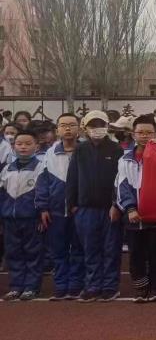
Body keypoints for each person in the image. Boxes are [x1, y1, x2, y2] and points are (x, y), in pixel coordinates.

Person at [66, 110, 124, 302]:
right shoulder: (80, 149)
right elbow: (72, 177)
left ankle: (110, 286)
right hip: (85, 209)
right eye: (93, 125)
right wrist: (72, 204)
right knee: (90, 250)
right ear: (85, 128)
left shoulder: (116, 149)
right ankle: (92, 286)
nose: (97, 129)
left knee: (111, 249)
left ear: (107, 127)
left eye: (100, 125)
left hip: (110, 209)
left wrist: (116, 204)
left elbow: (121, 180)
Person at [115, 115, 156, 303]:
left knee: (155, 255)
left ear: (155, 134)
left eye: (149, 132)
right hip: (133, 217)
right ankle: (140, 288)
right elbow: (122, 186)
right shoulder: (125, 159)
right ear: (133, 134)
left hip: (155, 217)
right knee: (136, 255)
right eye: (141, 132)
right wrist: (130, 209)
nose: (145, 136)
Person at [35, 113, 84, 300]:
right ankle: (61, 285)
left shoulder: (85, 151)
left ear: (79, 129)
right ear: (57, 130)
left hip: (79, 210)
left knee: (78, 249)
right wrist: (43, 207)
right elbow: (42, 182)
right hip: (55, 211)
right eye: (63, 125)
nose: (68, 128)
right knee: (58, 250)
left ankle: (76, 285)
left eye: (72, 125)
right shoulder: (50, 153)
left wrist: (80, 203)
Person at [1, 130, 44, 300]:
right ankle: (16, 286)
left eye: (28, 143)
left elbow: (42, 193)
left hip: (31, 218)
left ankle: (31, 287)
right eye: (19, 144)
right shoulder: (7, 169)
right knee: (13, 253)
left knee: (33, 252)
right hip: (10, 219)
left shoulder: (41, 167)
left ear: (36, 146)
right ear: (13, 146)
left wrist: (40, 213)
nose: (23, 147)